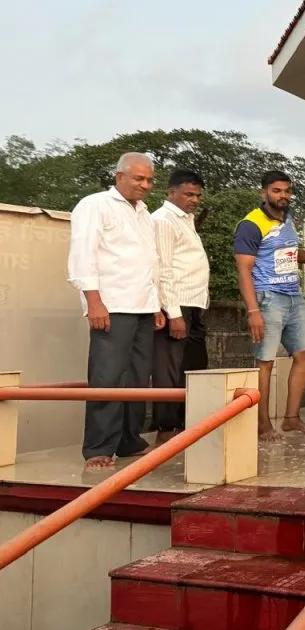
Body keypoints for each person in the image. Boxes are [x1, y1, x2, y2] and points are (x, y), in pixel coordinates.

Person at [233, 170, 305, 441]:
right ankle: (262, 425)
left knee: (304, 355)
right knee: (265, 362)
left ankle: (291, 418)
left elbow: (296, 255)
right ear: (264, 192)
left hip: (294, 296)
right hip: (267, 298)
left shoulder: (289, 219)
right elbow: (243, 271)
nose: (282, 196)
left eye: (286, 191)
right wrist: (253, 311)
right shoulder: (251, 224)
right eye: (276, 191)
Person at [67, 152, 164, 470]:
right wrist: (93, 301)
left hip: (143, 305)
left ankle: (129, 439)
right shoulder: (95, 205)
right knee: (107, 375)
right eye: (139, 178)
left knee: (137, 377)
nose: (145, 185)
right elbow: (83, 254)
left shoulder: (144, 213)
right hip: (111, 305)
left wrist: (157, 304)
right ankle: (98, 445)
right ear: (118, 176)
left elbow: (151, 261)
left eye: (149, 179)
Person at [151, 168, 210, 443]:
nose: (194, 199)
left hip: (195, 302)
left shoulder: (186, 220)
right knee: (169, 369)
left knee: (194, 367)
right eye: (188, 194)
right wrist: (173, 313)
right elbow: (163, 269)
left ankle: (189, 426)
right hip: (176, 305)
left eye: (197, 194)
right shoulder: (163, 220)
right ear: (170, 192)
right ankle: (166, 428)